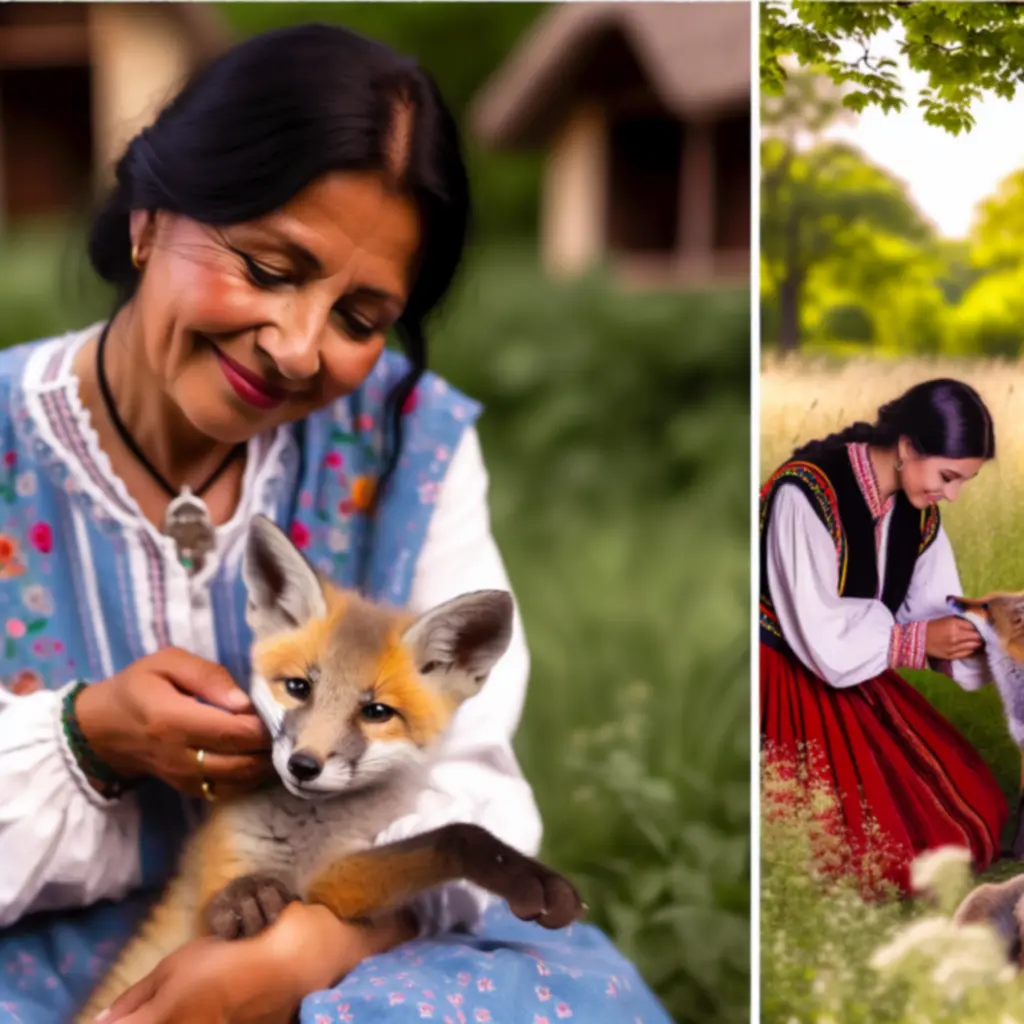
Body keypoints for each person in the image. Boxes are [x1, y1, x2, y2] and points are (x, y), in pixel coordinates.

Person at [0, 23, 672, 1024]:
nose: (297, 346)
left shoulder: (407, 442)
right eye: (268, 267)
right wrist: (83, 736)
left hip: (359, 937)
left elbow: (467, 778)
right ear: (148, 214)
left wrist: (313, 946)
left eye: (359, 318)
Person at [759, 378, 1006, 893]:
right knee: (874, 857)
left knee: (974, 812)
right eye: (948, 476)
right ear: (908, 446)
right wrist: (917, 642)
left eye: (964, 481)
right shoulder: (805, 491)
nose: (952, 494)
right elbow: (819, 634)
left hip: (856, 668)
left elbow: (936, 608)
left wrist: (979, 637)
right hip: (785, 671)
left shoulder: (919, 513)